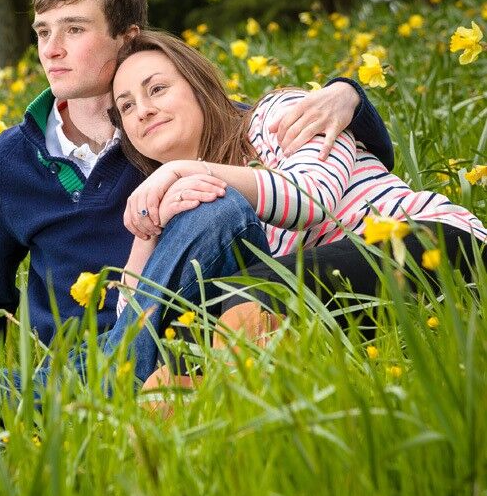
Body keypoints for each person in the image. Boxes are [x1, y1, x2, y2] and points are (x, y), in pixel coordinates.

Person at [0, 0, 392, 379]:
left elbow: (297, 148)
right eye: (43, 32)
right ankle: (59, 398)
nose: (52, 50)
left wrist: (348, 96)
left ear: (127, 36)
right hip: (69, 367)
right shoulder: (6, 162)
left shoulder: (171, 129)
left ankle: (110, 387)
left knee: (215, 206)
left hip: (177, 347)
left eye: (74, 29)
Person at [104, 30, 486, 386]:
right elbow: (135, 331)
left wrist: (184, 169)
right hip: (331, 290)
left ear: (198, 86)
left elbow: (312, 199)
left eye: (157, 89)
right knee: (188, 335)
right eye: (127, 106)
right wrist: (149, 226)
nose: (143, 110)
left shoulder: (277, 115)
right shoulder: (185, 202)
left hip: (434, 244)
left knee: (247, 300)